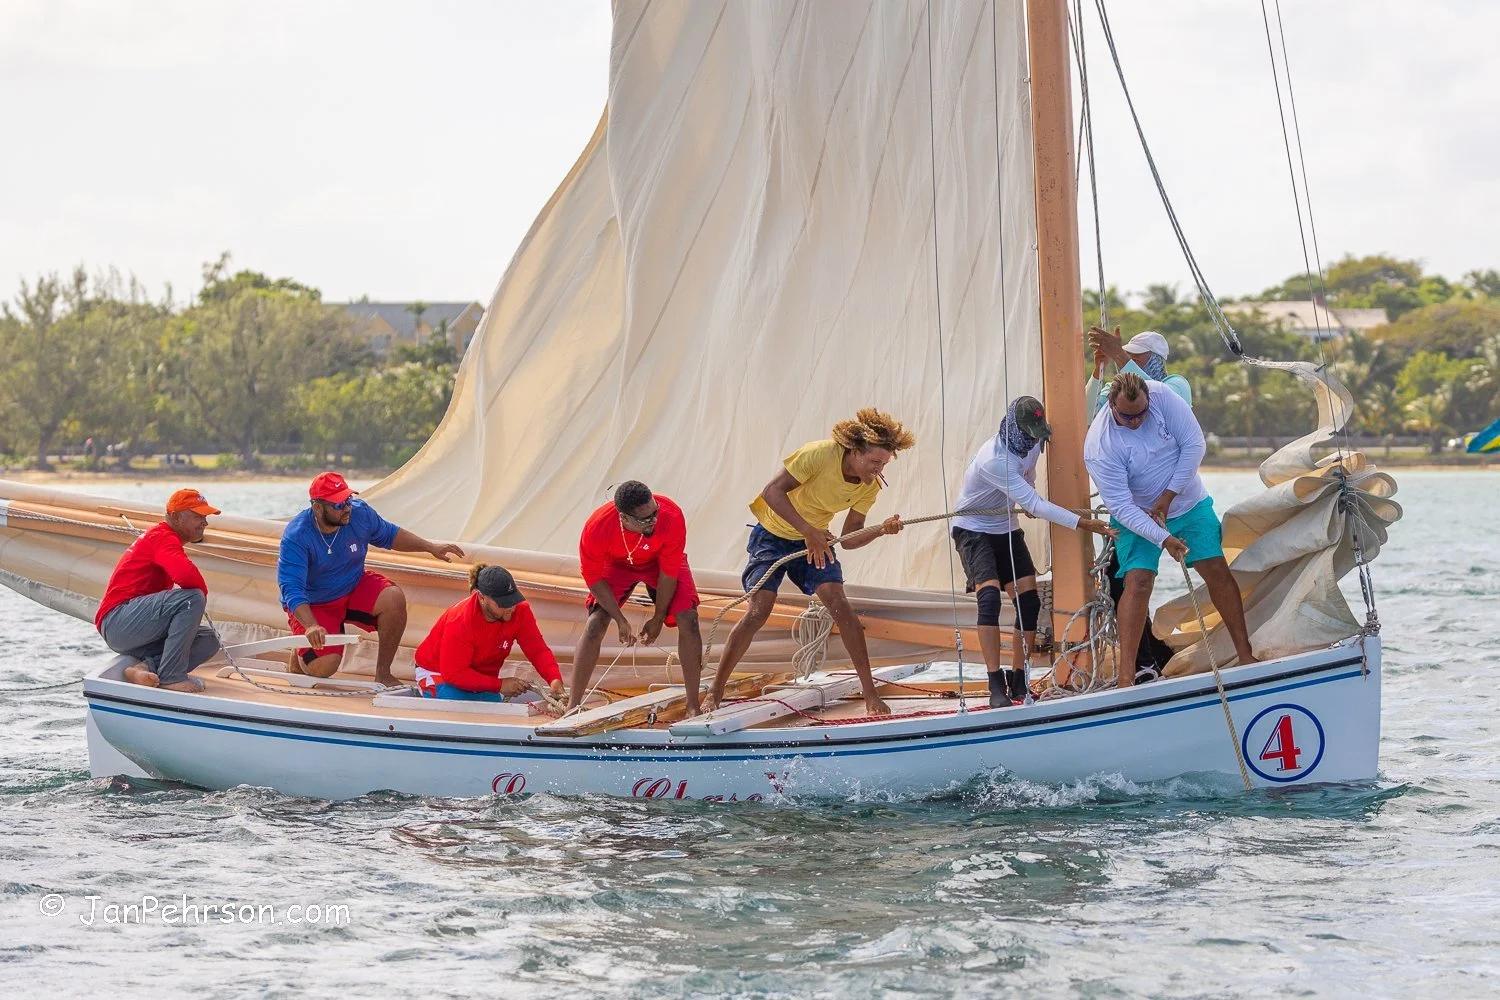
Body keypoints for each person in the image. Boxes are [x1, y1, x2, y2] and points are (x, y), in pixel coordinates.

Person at [702, 408, 914, 716]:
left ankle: (871, 696)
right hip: (773, 535)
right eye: (873, 462)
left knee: (843, 611)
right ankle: (716, 690)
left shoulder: (870, 486)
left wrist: (880, 530)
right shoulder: (819, 454)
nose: (878, 470)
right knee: (758, 611)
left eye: (883, 463)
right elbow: (772, 492)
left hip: (814, 541)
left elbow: (850, 538)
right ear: (854, 451)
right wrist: (808, 530)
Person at [1083, 372, 1256, 687]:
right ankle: (1126, 678)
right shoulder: (1100, 444)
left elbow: (1194, 444)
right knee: (1137, 582)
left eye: (1141, 414)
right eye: (1127, 417)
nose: (1135, 422)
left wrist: (1168, 496)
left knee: (1216, 568)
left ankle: (1245, 654)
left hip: (1188, 503)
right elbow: (1120, 507)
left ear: (1149, 398)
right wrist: (1163, 538)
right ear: (1111, 405)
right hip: (1135, 513)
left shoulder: (1163, 397)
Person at [951, 397, 1117, 708]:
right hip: (973, 528)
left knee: (1029, 602)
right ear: (1012, 427)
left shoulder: (1034, 442)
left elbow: (1030, 483)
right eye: (1026, 434)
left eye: (1035, 434)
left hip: (1006, 526)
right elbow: (1036, 505)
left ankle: (1019, 678)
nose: (1031, 441)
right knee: (988, 599)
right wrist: (1084, 523)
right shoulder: (995, 460)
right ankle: (994, 683)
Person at [277, 472, 464, 685]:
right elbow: (291, 589)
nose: (347, 508)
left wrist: (430, 547)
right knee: (323, 668)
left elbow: (390, 535)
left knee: (393, 598)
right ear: (318, 507)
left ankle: (383, 673)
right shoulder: (297, 536)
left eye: (348, 499)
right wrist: (310, 625)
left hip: (352, 586)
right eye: (338, 505)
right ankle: (298, 656)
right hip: (317, 603)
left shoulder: (359, 513)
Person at [1087, 325, 1192, 679]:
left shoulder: (1173, 387)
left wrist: (1119, 357)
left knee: (1178, 569)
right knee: (1125, 583)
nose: (1127, 363)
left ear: (1153, 360)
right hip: (1128, 508)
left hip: (1173, 503)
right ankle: (1145, 662)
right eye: (1127, 356)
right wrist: (1099, 370)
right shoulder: (1117, 392)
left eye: (1135, 358)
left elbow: (1167, 408)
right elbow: (1088, 418)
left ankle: (1150, 659)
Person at [569, 481, 703, 714]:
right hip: (617, 563)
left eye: (655, 512)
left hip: (660, 562)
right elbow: (592, 577)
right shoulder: (597, 527)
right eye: (645, 519)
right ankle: (573, 705)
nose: (654, 520)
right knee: (595, 624)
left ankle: (693, 705)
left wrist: (659, 617)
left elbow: (669, 572)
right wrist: (620, 619)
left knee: (688, 619)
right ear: (624, 518)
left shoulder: (670, 515)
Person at [96, 489, 223, 692]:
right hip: (118, 623)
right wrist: (197, 602)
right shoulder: (162, 537)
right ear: (176, 517)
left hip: (129, 628)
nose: (205, 523)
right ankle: (171, 677)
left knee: (209, 640)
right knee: (192, 598)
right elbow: (187, 577)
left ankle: (143, 668)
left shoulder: (162, 537)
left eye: (205, 517)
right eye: (198, 516)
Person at [413, 564, 566, 703]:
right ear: (481, 597)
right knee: (468, 715)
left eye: (513, 599)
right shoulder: (460, 621)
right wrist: (500, 685)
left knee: (495, 716)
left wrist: (554, 679)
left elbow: (537, 650)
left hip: (479, 678)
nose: (511, 607)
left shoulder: (521, 610)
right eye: (503, 603)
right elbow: (454, 674)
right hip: (438, 674)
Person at [1086, 326, 1192, 420]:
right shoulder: (1115, 389)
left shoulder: (1178, 384)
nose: (1123, 366)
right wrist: (1098, 371)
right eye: (1128, 358)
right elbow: (1087, 416)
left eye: (1134, 360)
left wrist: (1120, 355)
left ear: (1155, 362)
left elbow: (1161, 399)